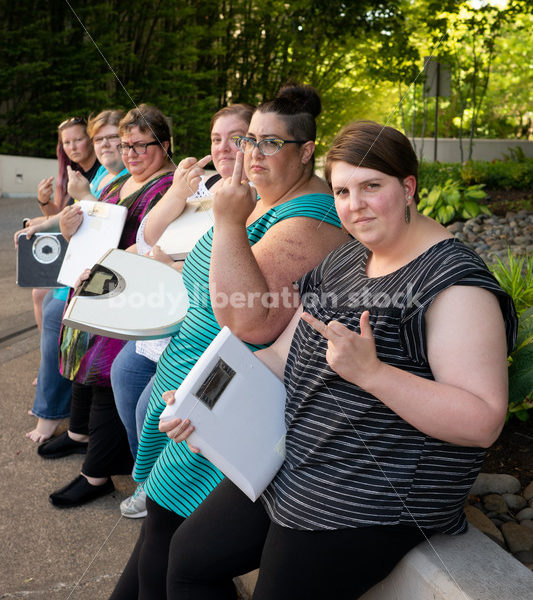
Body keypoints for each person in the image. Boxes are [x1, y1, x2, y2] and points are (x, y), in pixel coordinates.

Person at [159, 120, 517, 600]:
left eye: (372, 187)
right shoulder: (347, 260)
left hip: (372, 493)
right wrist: (201, 402)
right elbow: (282, 354)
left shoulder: (455, 283)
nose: (355, 205)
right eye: (343, 191)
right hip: (300, 460)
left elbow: (482, 421)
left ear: (408, 187)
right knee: (187, 559)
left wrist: (374, 375)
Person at [109, 84, 350, 599]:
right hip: (188, 383)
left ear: (306, 152)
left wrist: (225, 218)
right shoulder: (260, 202)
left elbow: (249, 322)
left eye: (269, 144)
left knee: (171, 538)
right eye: (249, 142)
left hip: (224, 392)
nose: (252, 155)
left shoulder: (309, 219)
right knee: (161, 526)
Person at [37, 104, 175, 509]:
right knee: (78, 347)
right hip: (98, 279)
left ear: (164, 145)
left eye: (140, 145)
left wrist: (100, 264)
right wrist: (68, 226)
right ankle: (82, 435)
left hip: (131, 290)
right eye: (124, 145)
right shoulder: (123, 183)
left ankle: (97, 473)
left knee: (103, 368)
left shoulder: (166, 187)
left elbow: (151, 244)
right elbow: (91, 223)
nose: (130, 153)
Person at [111, 104, 254, 488]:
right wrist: (177, 192)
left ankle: (162, 486)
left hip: (209, 323)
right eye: (216, 139)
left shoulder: (256, 196)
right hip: (169, 314)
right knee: (123, 374)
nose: (223, 148)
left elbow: (240, 272)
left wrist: (172, 268)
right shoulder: (202, 187)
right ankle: (146, 479)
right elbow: (146, 239)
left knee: (151, 407)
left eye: (235, 139)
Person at [23, 109, 127, 443]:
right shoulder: (93, 177)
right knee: (48, 303)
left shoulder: (113, 177)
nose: (104, 144)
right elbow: (73, 217)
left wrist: (80, 200)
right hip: (86, 266)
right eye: (100, 139)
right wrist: (40, 220)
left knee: (55, 311)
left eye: (113, 138)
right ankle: (58, 405)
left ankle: (52, 412)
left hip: (105, 273)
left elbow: (107, 226)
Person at [15, 116, 100, 341]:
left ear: (90, 140)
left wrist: (41, 222)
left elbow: (79, 214)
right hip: (72, 241)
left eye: (78, 140)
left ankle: (50, 360)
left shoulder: (99, 172)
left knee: (42, 294)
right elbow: (62, 215)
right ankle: (48, 356)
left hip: (86, 251)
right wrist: (43, 203)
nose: (72, 147)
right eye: (66, 142)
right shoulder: (72, 171)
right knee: (38, 293)